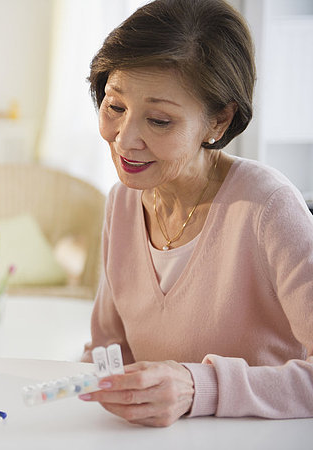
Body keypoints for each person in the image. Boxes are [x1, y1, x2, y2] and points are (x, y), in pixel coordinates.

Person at [80, 0, 313, 427]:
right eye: (115, 107)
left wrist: (197, 386)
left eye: (159, 121)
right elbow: (106, 353)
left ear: (218, 122)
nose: (125, 140)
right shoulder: (123, 201)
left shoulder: (269, 208)